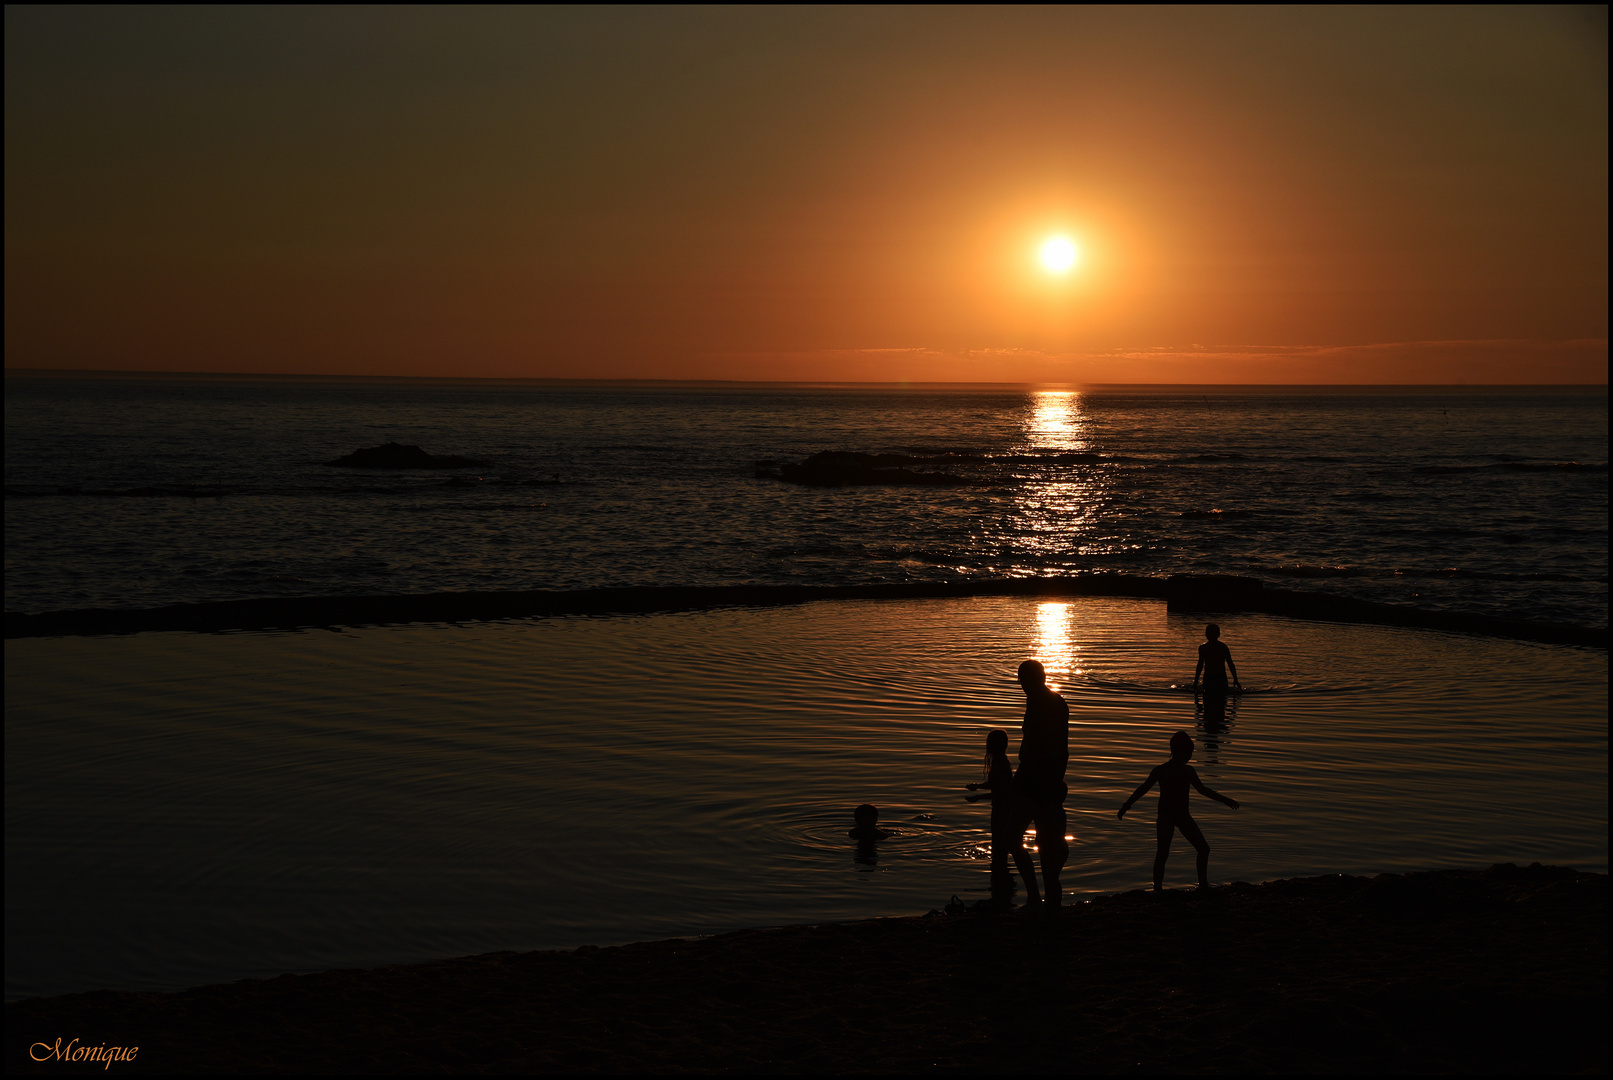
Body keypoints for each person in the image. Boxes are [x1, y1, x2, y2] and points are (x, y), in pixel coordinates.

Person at [1117, 731, 1239, 891]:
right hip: (1166, 817)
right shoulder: (1163, 770)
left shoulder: (1186, 771)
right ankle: (1158, 889)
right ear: (1178, 751)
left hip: (1182, 816)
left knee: (1203, 849)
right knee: (1163, 853)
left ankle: (1202, 884)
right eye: (1188, 753)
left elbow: (1202, 790)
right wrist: (1126, 806)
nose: (1189, 756)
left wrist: (1225, 799)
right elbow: (1143, 789)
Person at [1008, 660, 1069, 911]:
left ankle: (1035, 897)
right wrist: (1058, 779)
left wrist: (1017, 783)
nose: (1021, 685)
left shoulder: (1037, 703)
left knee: (1012, 838)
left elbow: (1033, 749)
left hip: (1035, 780)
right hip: (1050, 779)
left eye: (1022, 680)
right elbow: (1063, 749)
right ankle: (1051, 898)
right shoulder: (1057, 701)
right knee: (1047, 845)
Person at [964, 729, 1016, 891]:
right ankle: (1001, 881)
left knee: (999, 845)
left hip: (1002, 810)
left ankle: (1000, 883)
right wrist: (978, 787)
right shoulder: (1001, 761)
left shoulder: (1001, 764)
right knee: (999, 845)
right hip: (1001, 808)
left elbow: (1000, 792)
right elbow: (996, 785)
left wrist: (978, 797)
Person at [1194, 623, 1241, 694]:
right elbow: (1230, 663)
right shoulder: (1220, 647)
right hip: (1212, 676)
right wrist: (1235, 679)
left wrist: (1196, 681)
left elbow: (1230, 663)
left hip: (1217, 677)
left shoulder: (1221, 647)